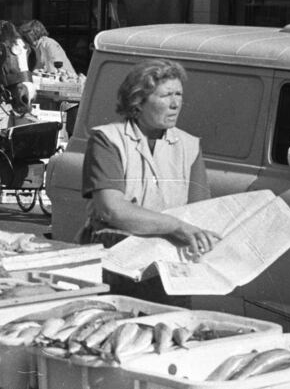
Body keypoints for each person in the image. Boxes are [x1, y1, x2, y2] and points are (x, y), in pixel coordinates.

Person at [78, 59, 220, 306]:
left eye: (179, 95)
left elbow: (199, 212)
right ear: (138, 101)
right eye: (165, 95)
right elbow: (112, 209)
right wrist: (176, 226)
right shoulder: (107, 139)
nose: (175, 104)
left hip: (169, 265)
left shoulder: (189, 145)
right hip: (116, 260)